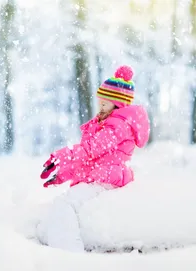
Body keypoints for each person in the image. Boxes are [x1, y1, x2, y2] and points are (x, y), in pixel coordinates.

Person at [37, 65, 150, 252]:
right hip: (102, 175)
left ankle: (70, 257)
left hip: (108, 178)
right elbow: (92, 161)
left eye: (105, 104)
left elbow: (91, 150)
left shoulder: (117, 127)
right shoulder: (109, 123)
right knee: (60, 205)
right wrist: (63, 174)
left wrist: (61, 157)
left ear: (118, 104)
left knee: (64, 204)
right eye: (100, 103)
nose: (100, 108)